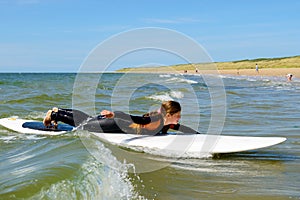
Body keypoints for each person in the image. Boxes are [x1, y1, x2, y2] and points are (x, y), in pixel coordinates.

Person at [43, 101, 200, 135]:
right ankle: (55, 115)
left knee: (88, 119)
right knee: (85, 124)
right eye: (178, 116)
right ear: (169, 115)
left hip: (117, 124)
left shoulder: (167, 124)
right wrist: (114, 114)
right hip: (114, 123)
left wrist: (201, 137)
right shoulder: (157, 120)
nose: (179, 118)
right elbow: (136, 118)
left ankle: (59, 110)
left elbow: (183, 128)